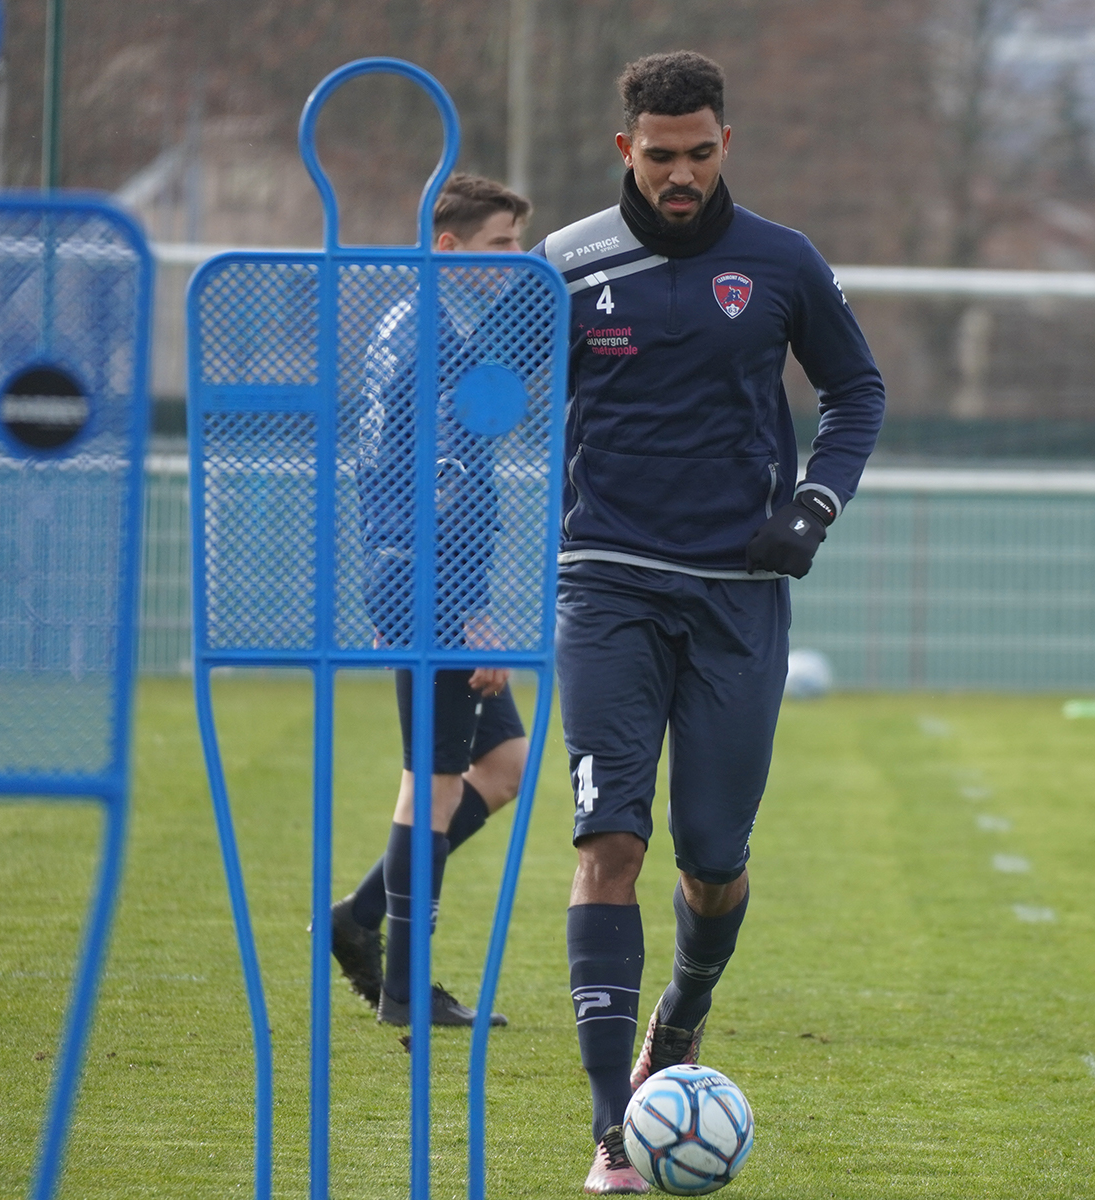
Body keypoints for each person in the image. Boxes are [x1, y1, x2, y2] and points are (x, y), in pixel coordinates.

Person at [529, 52, 885, 1193]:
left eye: (697, 154)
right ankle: (611, 1131)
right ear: (624, 149)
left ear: (724, 144)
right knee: (608, 845)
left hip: (737, 595)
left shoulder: (782, 261)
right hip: (605, 585)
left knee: (712, 861)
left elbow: (857, 390)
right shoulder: (568, 264)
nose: (678, 175)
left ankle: (681, 1014)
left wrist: (813, 507)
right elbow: (500, 397)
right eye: (658, 155)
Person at [328, 173, 534, 1030]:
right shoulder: (437, 339)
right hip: (429, 579)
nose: (517, 261)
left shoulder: (406, 321)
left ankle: (358, 917)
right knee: (435, 785)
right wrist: (469, 610)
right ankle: (406, 989)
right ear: (447, 248)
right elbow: (443, 486)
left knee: (506, 762)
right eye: (501, 245)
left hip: (406, 572)